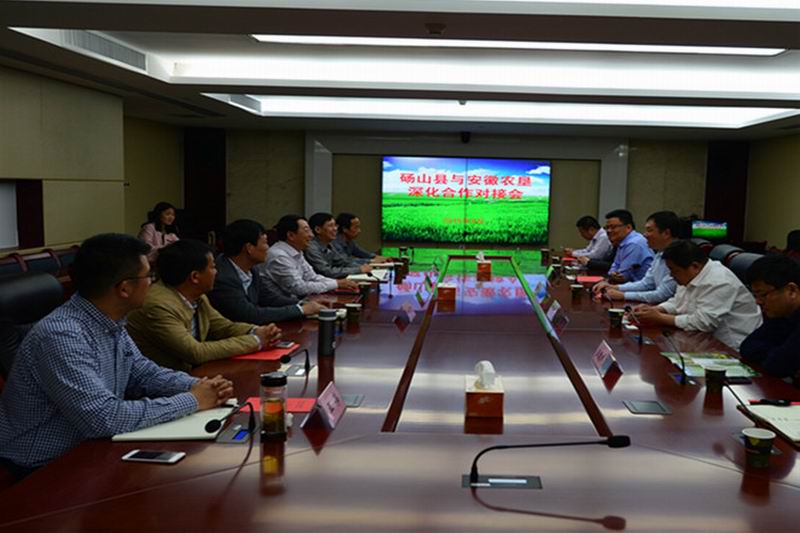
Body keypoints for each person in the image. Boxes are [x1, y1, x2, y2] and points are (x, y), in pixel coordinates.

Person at [0, 234, 233, 480]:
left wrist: (199, 386)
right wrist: (192, 400)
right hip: (43, 466)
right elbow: (104, 417)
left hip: (91, 446)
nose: (153, 283)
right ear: (124, 288)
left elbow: (143, 373)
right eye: (149, 276)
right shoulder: (62, 336)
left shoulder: (110, 321)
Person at [126, 239, 281, 372]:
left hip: (193, 374)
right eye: (212, 267)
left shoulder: (197, 296)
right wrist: (256, 341)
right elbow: (195, 352)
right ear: (195, 276)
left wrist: (256, 330)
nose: (217, 272)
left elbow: (222, 327)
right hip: (165, 383)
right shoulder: (158, 305)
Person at [633, 240, 762, 350]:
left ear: (694, 266)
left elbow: (703, 323)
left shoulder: (719, 281)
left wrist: (659, 317)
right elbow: (678, 302)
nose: (671, 275)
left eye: (674, 270)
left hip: (730, 348)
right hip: (701, 340)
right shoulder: (690, 275)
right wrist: (655, 309)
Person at [208, 219, 323, 324]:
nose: (268, 248)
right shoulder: (223, 277)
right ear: (249, 248)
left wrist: (302, 304)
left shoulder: (252, 269)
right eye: (265, 243)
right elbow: (249, 314)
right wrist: (300, 310)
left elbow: (268, 297)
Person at [257, 215, 359, 304]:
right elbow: (299, 288)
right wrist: (336, 284)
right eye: (307, 231)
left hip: (296, 302)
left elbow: (312, 277)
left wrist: (339, 282)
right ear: (291, 235)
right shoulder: (279, 256)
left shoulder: (297, 251)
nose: (311, 235)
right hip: (281, 307)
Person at [593, 211, 679, 304]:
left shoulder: (678, 256)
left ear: (666, 233)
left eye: (649, 230)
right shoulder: (660, 254)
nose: (645, 234)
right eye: (607, 228)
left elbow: (662, 295)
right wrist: (614, 287)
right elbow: (646, 284)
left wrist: (623, 295)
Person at [739, 255, 800, 378]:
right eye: (755, 295)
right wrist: (779, 351)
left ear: (792, 291)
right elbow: (747, 347)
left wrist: (780, 354)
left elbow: (777, 365)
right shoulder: (781, 315)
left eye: (763, 295)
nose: (758, 302)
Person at [305, 212, 373, 279]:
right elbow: (327, 271)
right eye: (330, 226)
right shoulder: (311, 248)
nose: (335, 229)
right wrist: (359, 269)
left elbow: (343, 262)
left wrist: (363, 267)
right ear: (318, 230)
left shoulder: (329, 244)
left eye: (335, 226)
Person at [603, 209, 653, 283]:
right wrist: (612, 273)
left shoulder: (634, 243)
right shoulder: (623, 242)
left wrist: (613, 275)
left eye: (613, 227)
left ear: (628, 227)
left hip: (641, 287)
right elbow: (615, 266)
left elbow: (623, 277)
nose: (609, 231)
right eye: (607, 228)